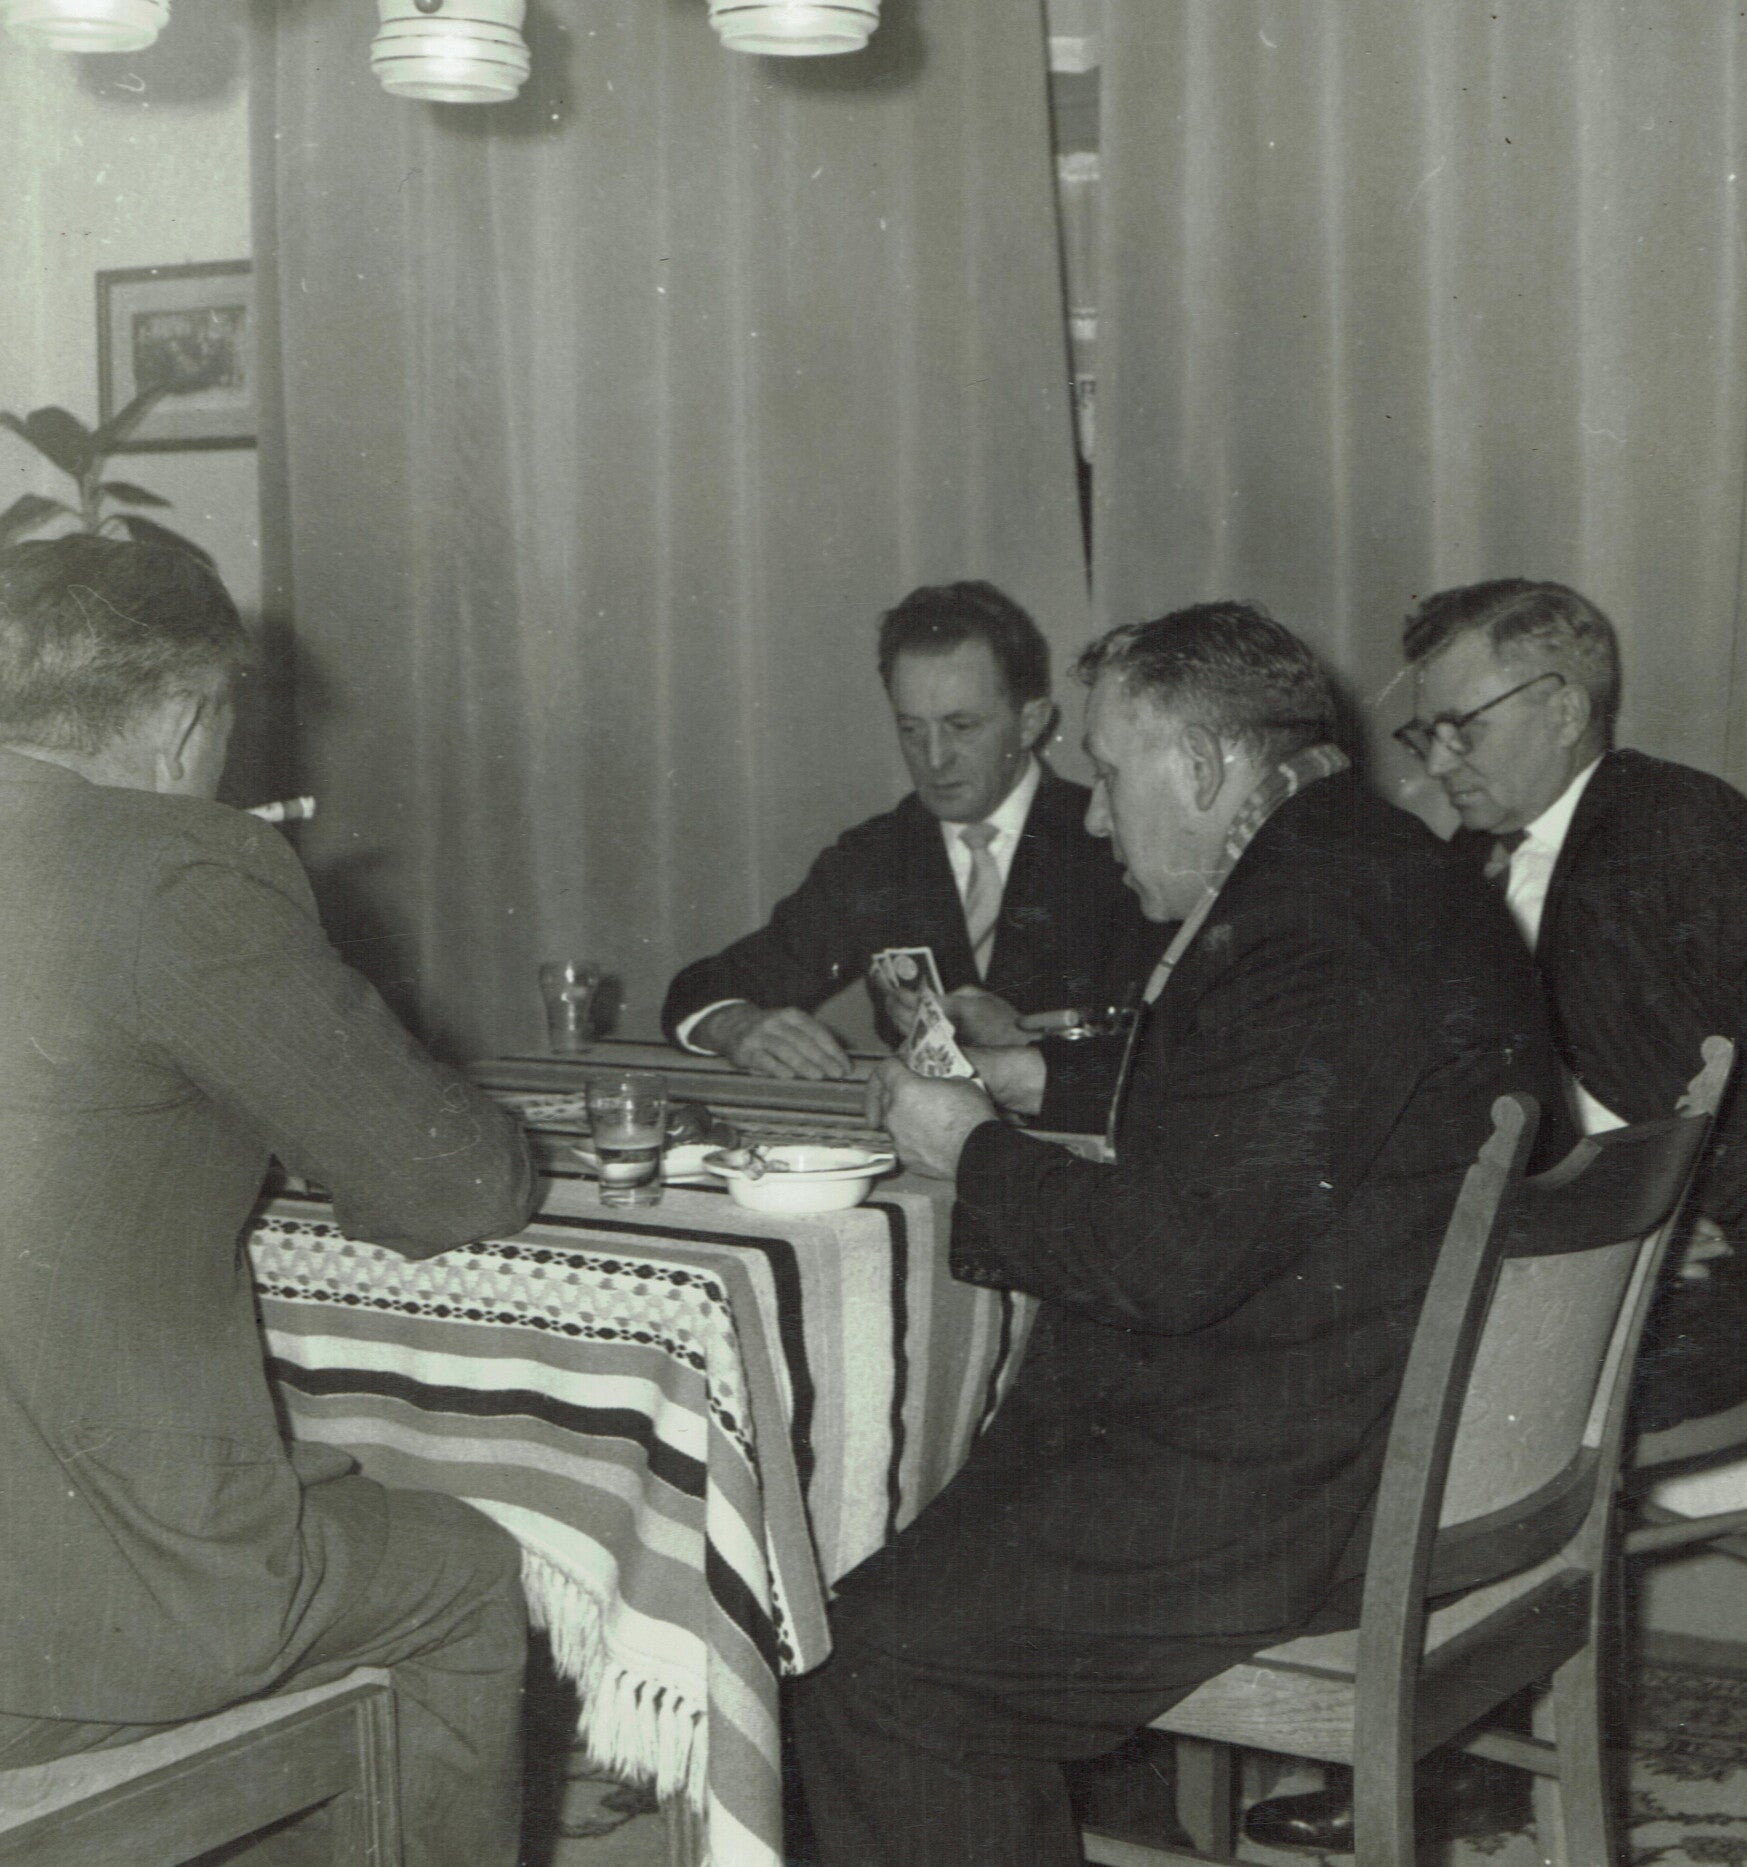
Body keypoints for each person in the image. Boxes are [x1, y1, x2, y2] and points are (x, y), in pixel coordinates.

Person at [789, 601, 1562, 1867]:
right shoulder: (1370, 859)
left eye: (1107, 773)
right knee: (925, 1543)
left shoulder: (1308, 920)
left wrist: (967, 1145)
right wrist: (1047, 1081)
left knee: (865, 1663)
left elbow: (1167, 1258)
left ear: (1202, 765)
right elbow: (1291, 1103)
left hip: (1286, 1481)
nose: (1096, 817)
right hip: (1367, 1415)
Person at [1245, 575, 1747, 1852]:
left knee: (1424, 1393)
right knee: (1320, 1347)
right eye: (1425, 731)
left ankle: (1439, 1743)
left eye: (1462, 726)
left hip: (1707, 1288)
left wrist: (1701, 1192)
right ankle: (1373, 1709)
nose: (1437, 759)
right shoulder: (1473, 861)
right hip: (1538, 1272)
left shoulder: (1669, 821)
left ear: (1563, 706)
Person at [0, 536, 538, 1867]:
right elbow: (449, 1183)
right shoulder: (176, 864)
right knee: (465, 1576)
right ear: (187, 717)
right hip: (63, 1627)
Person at [660, 580, 1150, 1093]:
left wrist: (1028, 1045)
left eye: (962, 726)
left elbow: (1173, 1065)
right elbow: (701, 989)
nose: (934, 759)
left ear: (1030, 722)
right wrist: (736, 1026)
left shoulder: (1115, 845)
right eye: (912, 729)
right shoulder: (874, 856)